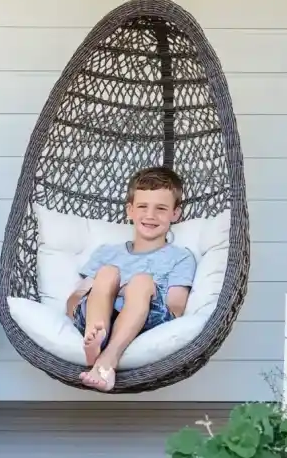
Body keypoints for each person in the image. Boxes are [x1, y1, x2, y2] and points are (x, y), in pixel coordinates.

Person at [64, 166, 196, 392]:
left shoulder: (180, 257)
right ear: (130, 210)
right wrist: (81, 305)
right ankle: (95, 338)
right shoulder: (107, 253)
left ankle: (107, 358)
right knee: (107, 272)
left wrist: (128, 289)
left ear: (175, 213)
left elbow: (175, 308)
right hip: (97, 315)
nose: (150, 215)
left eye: (161, 208)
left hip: (146, 318)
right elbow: (75, 299)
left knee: (142, 280)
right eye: (143, 206)